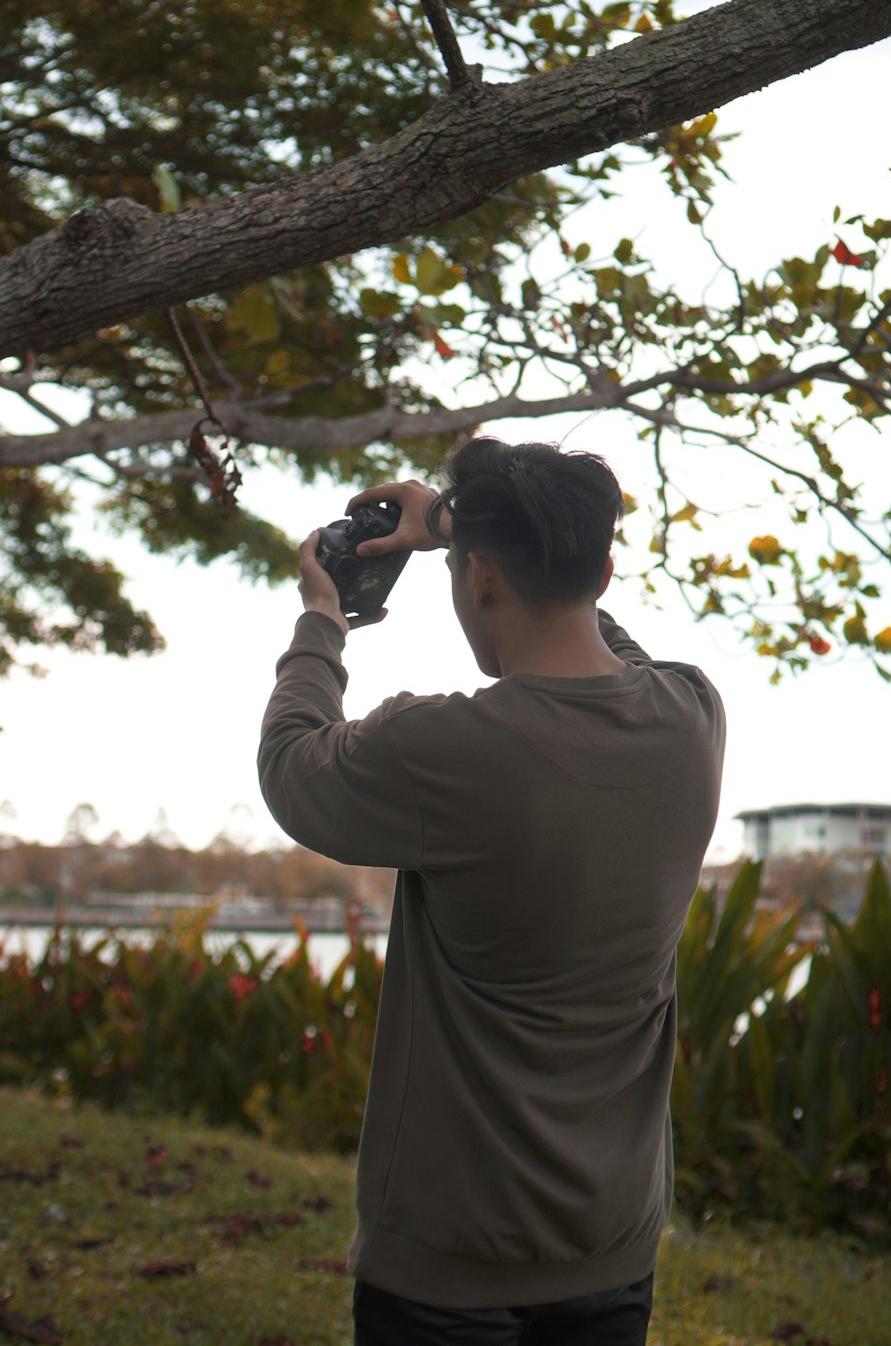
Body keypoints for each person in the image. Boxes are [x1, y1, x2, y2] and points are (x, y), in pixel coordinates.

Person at [258, 437, 726, 1346]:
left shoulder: (444, 749)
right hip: (613, 1243)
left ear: (477, 581)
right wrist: (451, 523)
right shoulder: (692, 717)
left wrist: (323, 617)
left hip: (448, 1261)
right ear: (605, 567)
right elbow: (607, 646)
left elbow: (291, 767)